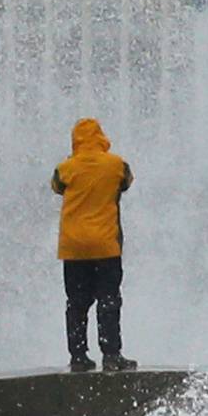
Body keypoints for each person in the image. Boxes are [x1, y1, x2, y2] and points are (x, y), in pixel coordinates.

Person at [51, 117, 136, 373]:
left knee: (76, 301)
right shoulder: (117, 165)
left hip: (74, 247)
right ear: (100, 138)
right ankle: (111, 355)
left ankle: (78, 356)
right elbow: (127, 183)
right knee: (108, 299)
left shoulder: (66, 168)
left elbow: (57, 187)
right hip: (105, 244)